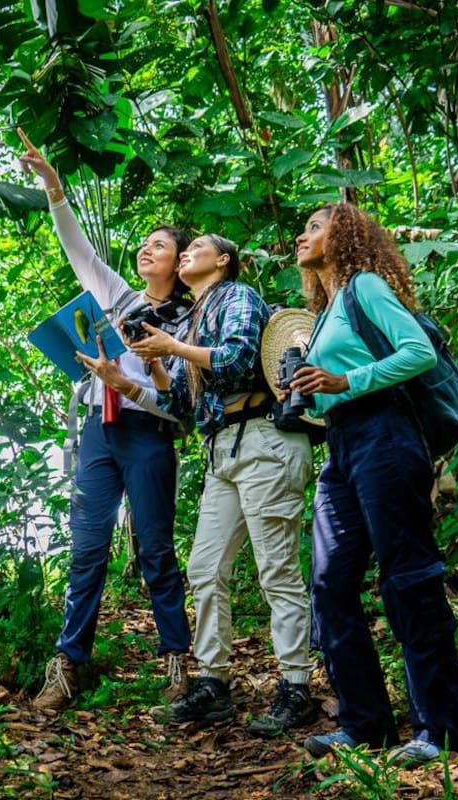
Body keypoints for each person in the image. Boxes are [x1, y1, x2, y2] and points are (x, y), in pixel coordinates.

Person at [18, 129, 192, 712]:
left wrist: (129, 386)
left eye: (161, 246)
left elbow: (180, 406)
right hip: (98, 432)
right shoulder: (118, 295)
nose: (147, 250)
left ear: (181, 262)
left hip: (148, 434)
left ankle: (177, 661)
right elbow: (79, 251)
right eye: (144, 243)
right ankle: (69, 664)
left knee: (157, 551)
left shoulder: (190, 323)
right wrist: (54, 188)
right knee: (87, 548)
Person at [287, 203, 458, 764]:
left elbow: (415, 352)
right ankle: (365, 724)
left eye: (315, 226)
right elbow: (330, 389)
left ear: (344, 235)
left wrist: (346, 378)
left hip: (385, 433)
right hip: (341, 445)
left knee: (407, 577)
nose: (303, 234)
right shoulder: (325, 310)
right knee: (330, 582)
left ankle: (438, 729)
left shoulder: (364, 286)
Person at [127, 234, 316, 734]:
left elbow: (234, 361)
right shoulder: (194, 315)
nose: (185, 253)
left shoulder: (236, 297)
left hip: (263, 441)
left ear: (223, 260)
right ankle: (213, 683)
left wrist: (173, 346)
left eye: (196, 249)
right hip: (221, 451)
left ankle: (297, 685)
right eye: (182, 251)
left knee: (276, 570)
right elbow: (184, 410)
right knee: (205, 569)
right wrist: (138, 374)